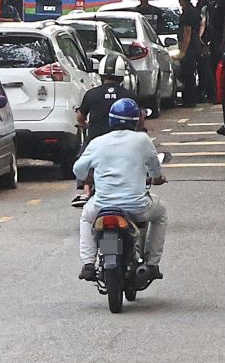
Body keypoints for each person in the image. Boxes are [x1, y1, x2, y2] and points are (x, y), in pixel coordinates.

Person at [74, 98, 168, 282]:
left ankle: (87, 264)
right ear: (135, 121)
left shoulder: (97, 142)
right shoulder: (142, 139)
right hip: (137, 206)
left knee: (86, 217)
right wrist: (157, 178)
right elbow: (155, 167)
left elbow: (78, 169)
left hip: (102, 206)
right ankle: (152, 263)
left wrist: (89, 176)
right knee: (161, 213)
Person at [72, 56, 140, 206]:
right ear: (122, 75)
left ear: (101, 74)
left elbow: (80, 117)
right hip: (124, 141)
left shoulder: (91, 94)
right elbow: (139, 119)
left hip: (95, 140)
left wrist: (86, 124)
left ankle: (86, 190)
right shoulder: (129, 95)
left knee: (84, 158)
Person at [202, 0, 225, 101]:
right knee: (212, 66)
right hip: (213, 37)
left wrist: (224, 41)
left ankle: (222, 94)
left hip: (221, 38)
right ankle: (215, 93)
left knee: (221, 66)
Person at [176, 0, 202, 106]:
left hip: (189, 48)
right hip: (195, 45)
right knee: (191, 73)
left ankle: (190, 100)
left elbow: (187, 33)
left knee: (188, 73)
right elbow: (202, 24)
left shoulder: (187, 13)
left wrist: (183, 51)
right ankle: (191, 98)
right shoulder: (195, 11)